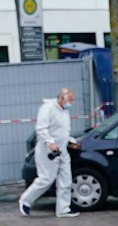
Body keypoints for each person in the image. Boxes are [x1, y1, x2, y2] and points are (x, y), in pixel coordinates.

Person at [18, 88, 78, 217]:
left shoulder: (64, 110)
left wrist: (71, 142)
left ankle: (63, 209)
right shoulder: (47, 108)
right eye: (70, 100)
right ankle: (26, 200)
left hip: (62, 150)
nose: (71, 103)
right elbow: (41, 128)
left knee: (66, 180)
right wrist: (50, 142)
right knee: (46, 179)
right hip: (47, 150)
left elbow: (62, 131)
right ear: (62, 98)